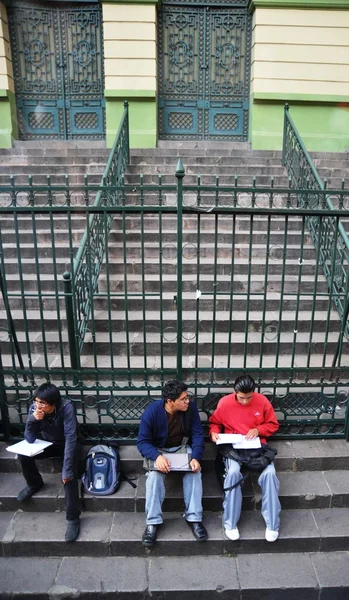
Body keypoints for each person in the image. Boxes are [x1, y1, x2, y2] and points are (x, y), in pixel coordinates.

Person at [209, 374, 281, 542]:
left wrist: (259, 430)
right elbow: (214, 422)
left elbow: (273, 424)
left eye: (249, 398)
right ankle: (230, 523)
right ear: (235, 392)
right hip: (233, 447)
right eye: (241, 398)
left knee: (270, 474)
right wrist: (213, 433)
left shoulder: (262, 401)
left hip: (257, 447)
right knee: (233, 473)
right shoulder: (225, 403)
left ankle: (272, 524)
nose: (245, 402)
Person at [137, 379, 208, 547]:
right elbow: (142, 442)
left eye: (187, 397)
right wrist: (157, 456)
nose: (187, 401)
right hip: (159, 450)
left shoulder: (190, 409)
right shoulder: (152, 412)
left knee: (195, 471)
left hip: (182, 447)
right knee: (154, 477)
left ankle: (194, 518)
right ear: (170, 401)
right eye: (183, 399)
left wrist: (196, 457)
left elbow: (198, 435)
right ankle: (152, 523)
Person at [16, 383, 81, 543]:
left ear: (53, 403)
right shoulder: (35, 408)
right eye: (37, 401)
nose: (38, 405)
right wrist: (32, 419)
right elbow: (29, 438)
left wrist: (66, 471)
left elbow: (71, 438)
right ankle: (34, 483)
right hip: (48, 442)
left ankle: (73, 518)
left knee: (70, 473)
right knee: (23, 455)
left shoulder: (66, 408)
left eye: (43, 403)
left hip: (67, 443)